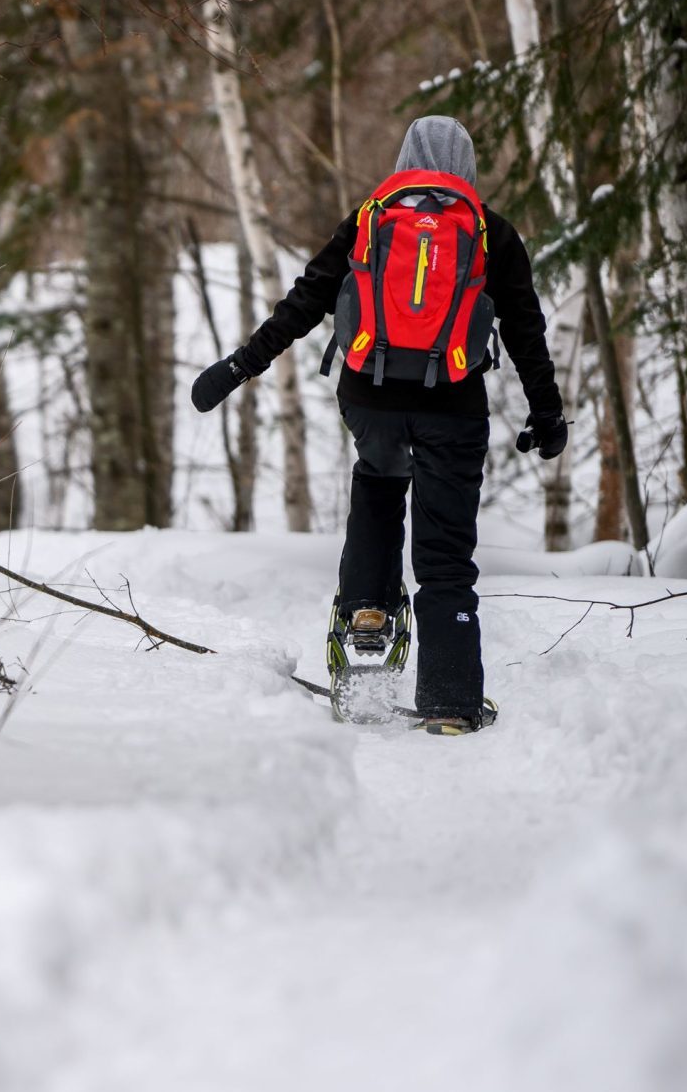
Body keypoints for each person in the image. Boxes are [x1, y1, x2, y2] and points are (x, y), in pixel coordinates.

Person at [188, 116, 566, 735]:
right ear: (468, 165)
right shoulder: (490, 231)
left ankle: (366, 622)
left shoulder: (371, 218)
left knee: (380, 478)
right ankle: (449, 701)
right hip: (453, 403)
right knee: (445, 553)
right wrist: (546, 415)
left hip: (369, 398)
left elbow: (306, 299)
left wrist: (240, 367)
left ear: (404, 158)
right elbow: (526, 331)